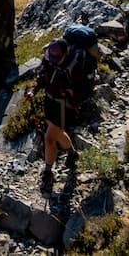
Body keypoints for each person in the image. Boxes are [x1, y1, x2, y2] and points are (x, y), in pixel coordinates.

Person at [27, 37, 83, 191]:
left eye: (57, 58)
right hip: (50, 102)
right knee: (57, 134)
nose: (53, 61)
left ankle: (47, 172)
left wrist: (71, 94)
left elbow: (82, 91)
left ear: (65, 54)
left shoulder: (74, 69)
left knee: (49, 138)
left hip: (65, 108)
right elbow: (42, 77)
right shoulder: (49, 60)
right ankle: (72, 154)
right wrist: (34, 90)